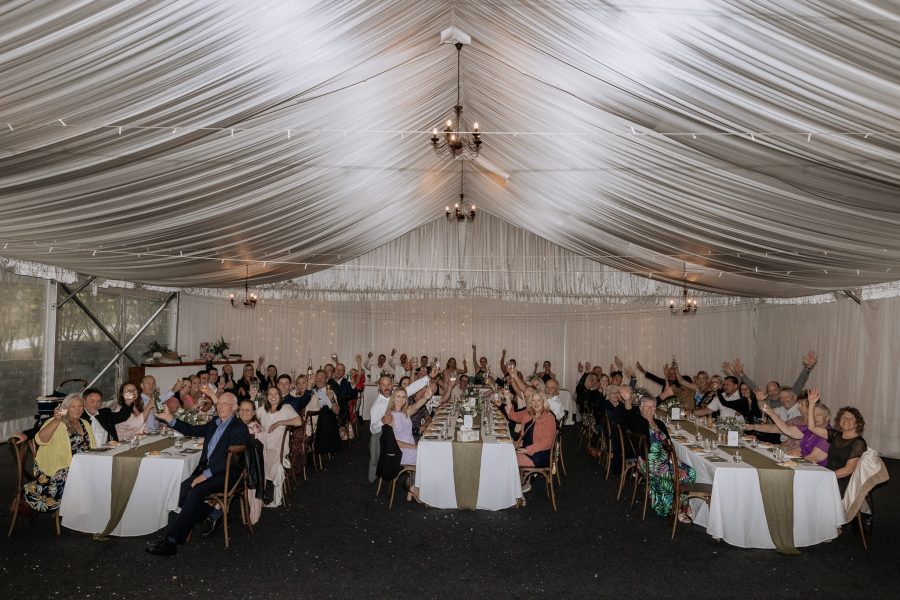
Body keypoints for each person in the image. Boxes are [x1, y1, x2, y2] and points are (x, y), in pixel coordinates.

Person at [146, 391, 250, 556]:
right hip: (209, 471)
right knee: (181, 491)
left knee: (195, 492)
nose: (220, 406)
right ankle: (215, 514)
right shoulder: (214, 423)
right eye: (219, 403)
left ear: (234, 408)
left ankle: (171, 542)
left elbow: (228, 460)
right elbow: (192, 430)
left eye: (225, 404)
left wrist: (205, 475)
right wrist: (170, 419)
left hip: (227, 474)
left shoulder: (239, 428)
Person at [625, 390, 696, 519]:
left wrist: (672, 459)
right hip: (649, 461)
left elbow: (668, 442)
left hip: (667, 459)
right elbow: (629, 414)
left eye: (653, 406)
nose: (651, 409)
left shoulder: (660, 423)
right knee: (665, 474)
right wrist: (628, 400)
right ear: (641, 408)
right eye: (647, 406)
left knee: (690, 472)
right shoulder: (638, 421)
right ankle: (671, 509)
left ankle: (681, 503)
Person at [24, 393, 95, 512]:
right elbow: (40, 440)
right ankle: (75, 509)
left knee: (100, 474)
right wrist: (57, 420)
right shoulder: (56, 422)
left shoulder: (85, 423)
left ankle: (86, 510)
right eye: (73, 406)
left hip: (81, 466)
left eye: (80, 406)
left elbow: (92, 446)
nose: (78, 409)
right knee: (74, 478)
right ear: (65, 408)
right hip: (57, 467)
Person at [368, 369, 434, 482]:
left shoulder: (404, 410)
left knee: (429, 454)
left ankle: (414, 483)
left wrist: (427, 385)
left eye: (389, 384)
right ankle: (413, 486)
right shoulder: (380, 408)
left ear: (392, 385)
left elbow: (415, 399)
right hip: (396, 448)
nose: (386, 387)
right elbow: (374, 430)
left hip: (408, 445)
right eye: (383, 385)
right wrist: (382, 421)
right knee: (427, 457)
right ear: (379, 386)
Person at [805, 388, 867, 496]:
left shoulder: (859, 443)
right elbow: (812, 427)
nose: (846, 420)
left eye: (851, 418)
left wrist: (825, 476)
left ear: (857, 423)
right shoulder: (835, 435)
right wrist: (811, 404)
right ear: (839, 421)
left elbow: (848, 470)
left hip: (842, 482)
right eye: (843, 417)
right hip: (828, 476)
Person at [746, 391, 830, 466]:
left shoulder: (826, 432)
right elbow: (785, 430)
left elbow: (813, 457)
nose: (798, 407)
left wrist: (789, 457)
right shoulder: (803, 423)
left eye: (818, 415)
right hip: (798, 460)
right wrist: (778, 448)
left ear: (827, 418)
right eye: (813, 415)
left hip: (811, 468)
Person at [255, 387, 302, 507]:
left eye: (276, 394)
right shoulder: (262, 410)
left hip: (277, 448)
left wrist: (279, 422)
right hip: (263, 446)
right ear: (267, 397)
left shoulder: (286, 408)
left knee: (262, 457)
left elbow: (298, 422)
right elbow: (249, 416)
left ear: (280, 396)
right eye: (270, 394)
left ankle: (264, 492)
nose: (273, 396)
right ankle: (255, 494)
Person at [503, 390, 556, 479]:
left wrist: (528, 450)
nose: (536, 403)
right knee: (503, 454)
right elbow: (513, 415)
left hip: (539, 454)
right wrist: (508, 398)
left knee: (508, 461)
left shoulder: (549, 417)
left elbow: (548, 442)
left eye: (539, 400)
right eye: (533, 400)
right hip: (525, 447)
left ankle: (518, 484)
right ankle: (516, 482)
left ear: (544, 402)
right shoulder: (529, 413)